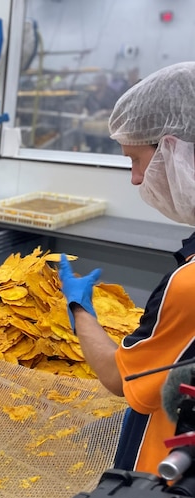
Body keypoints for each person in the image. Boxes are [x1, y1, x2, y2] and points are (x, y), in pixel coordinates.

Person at [58, 61, 195, 474]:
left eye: (137, 160)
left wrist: (79, 308)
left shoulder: (188, 285)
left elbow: (120, 379)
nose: (136, 179)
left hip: (167, 475)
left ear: (175, 152)